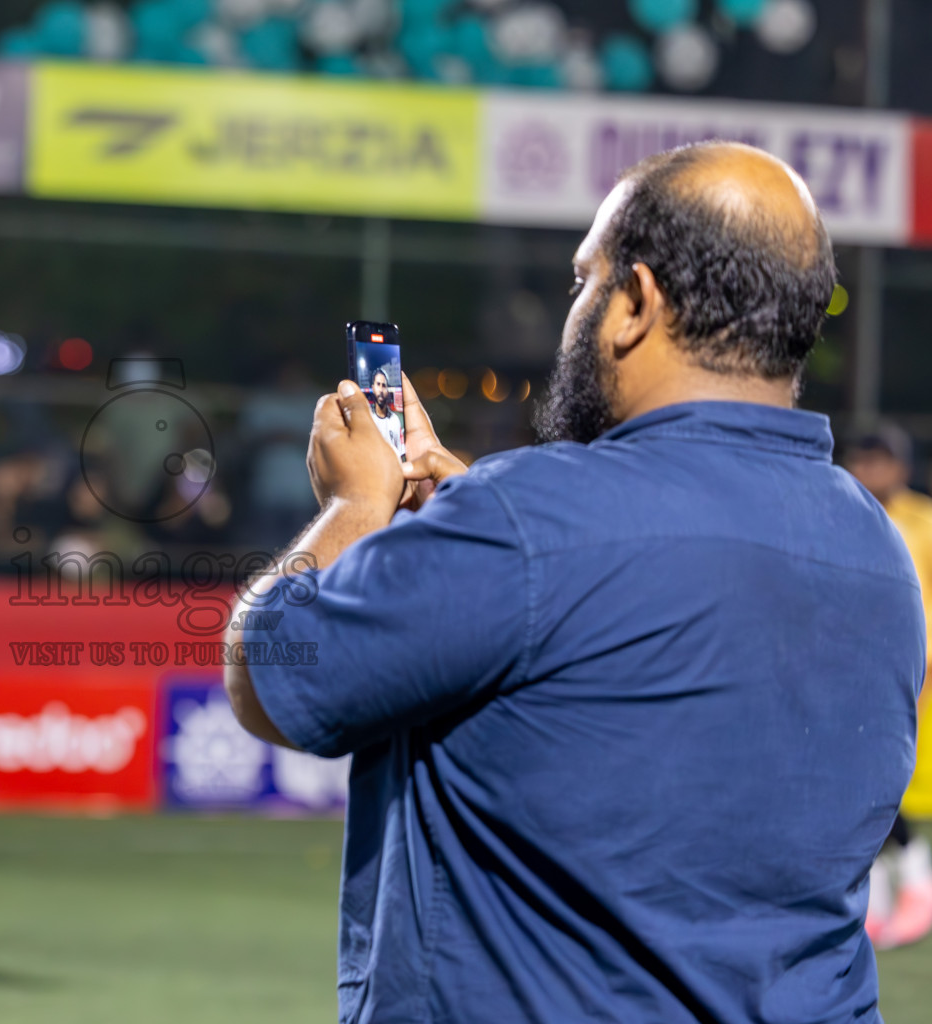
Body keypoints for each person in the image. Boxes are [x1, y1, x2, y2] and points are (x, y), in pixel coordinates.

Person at [224, 141, 922, 1024]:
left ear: (635, 303)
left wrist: (356, 509)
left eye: (581, 282)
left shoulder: (535, 521)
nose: (573, 309)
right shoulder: (875, 547)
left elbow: (273, 677)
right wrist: (479, 516)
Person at [845, 424, 932, 949]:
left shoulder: (922, 521)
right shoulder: (843, 511)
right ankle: (882, 892)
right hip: (854, 665)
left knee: (888, 781)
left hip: (909, 670)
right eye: (864, 459)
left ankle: (916, 876)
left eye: (881, 461)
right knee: (863, 782)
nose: (870, 470)